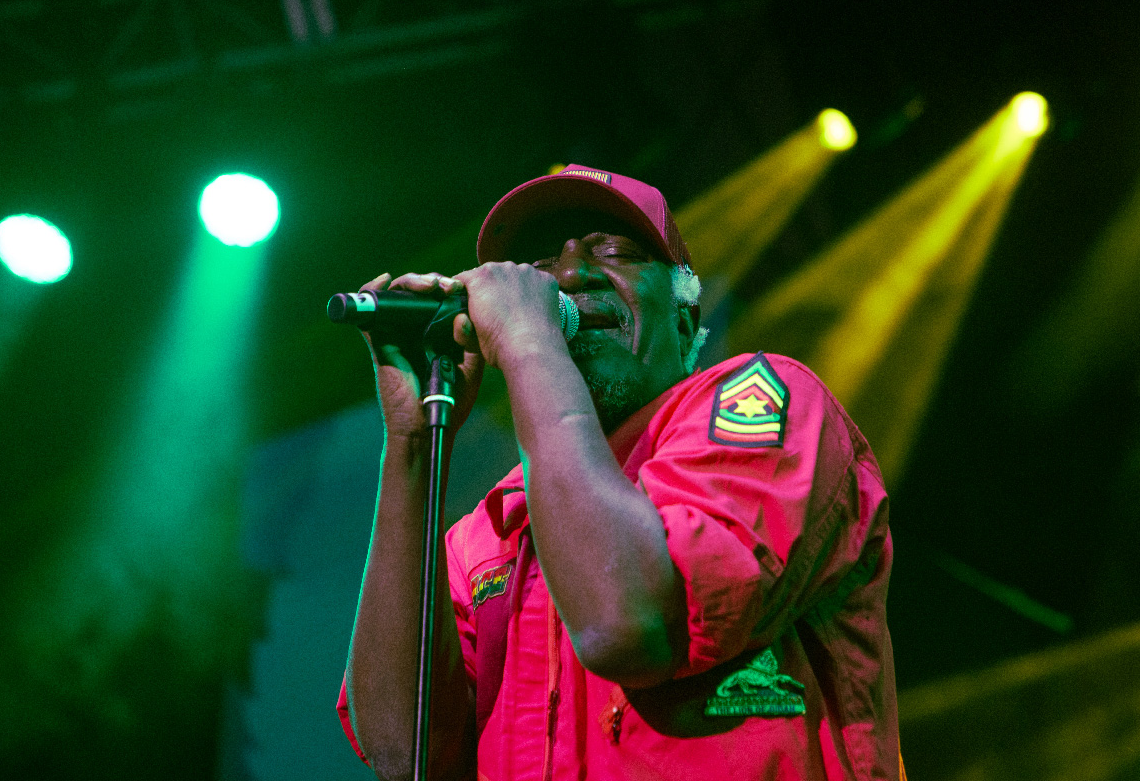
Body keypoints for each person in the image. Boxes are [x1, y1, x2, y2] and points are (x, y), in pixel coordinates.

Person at [338, 165, 901, 780]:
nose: (567, 277)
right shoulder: (487, 536)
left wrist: (529, 341)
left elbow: (627, 625)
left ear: (684, 323)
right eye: (538, 265)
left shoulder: (772, 405)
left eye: (612, 250)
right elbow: (402, 751)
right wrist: (413, 445)